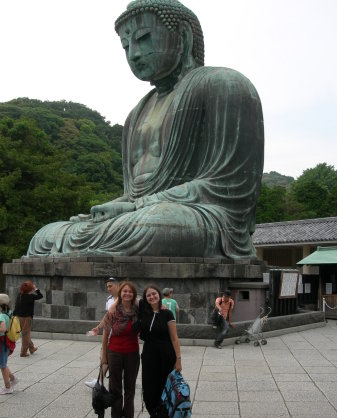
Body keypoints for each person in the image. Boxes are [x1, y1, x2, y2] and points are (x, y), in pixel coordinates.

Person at [27, 0, 264, 260]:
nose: (134, 54)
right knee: (47, 235)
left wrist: (137, 206)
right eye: (126, 46)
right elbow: (134, 193)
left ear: (182, 36)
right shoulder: (135, 114)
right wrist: (119, 207)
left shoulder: (224, 85)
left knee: (156, 224)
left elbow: (229, 186)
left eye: (144, 39)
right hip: (138, 216)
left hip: (204, 219)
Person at [139, 285, 182, 418]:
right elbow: (131, 300)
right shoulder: (143, 312)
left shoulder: (167, 313)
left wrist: (178, 359)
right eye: (148, 295)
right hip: (149, 354)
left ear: (159, 295)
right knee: (149, 386)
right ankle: (153, 417)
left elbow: (174, 338)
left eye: (154, 294)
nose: (152, 297)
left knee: (165, 387)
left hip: (166, 354)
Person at [101, 281, 140, 418]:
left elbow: (150, 303)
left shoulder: (137, 309)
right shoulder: (112, 311)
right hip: (114, 352)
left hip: (132, 352)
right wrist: (104, 357)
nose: (127, 294)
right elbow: (105, 335)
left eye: (130, 292)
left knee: (130, 388)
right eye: (124, 291)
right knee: (115, 387)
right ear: (119, 293)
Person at [85, 276, 119, 388]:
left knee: (111, 359)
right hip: (110, 334)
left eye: (111, 286)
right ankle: (99, 382)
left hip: (121, 335)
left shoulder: (126, 297)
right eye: (107, 286)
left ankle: (101, 382)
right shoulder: (109, 300)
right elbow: (107, 317)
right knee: (104, 357)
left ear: (117, 285)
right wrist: (98, 327)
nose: (109, 288)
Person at [13, 280, 43, 357]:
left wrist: (14, 316)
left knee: (25, 333)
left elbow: (16, 307)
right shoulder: (30, 297)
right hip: (27, 318)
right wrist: (35, 289)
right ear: (30, 289)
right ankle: (23, 352)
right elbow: (40, 296)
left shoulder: (19, 295)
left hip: (18, 317)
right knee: (25, 335)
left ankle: (32, 348)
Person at [0, 294, 18, 394]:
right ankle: (13, 378)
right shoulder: (9, 312)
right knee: (3, 363)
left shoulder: (1, 315)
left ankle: (8, 387)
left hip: (2, 342)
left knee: (3, 365)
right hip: (7, 341)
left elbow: (3, 328)